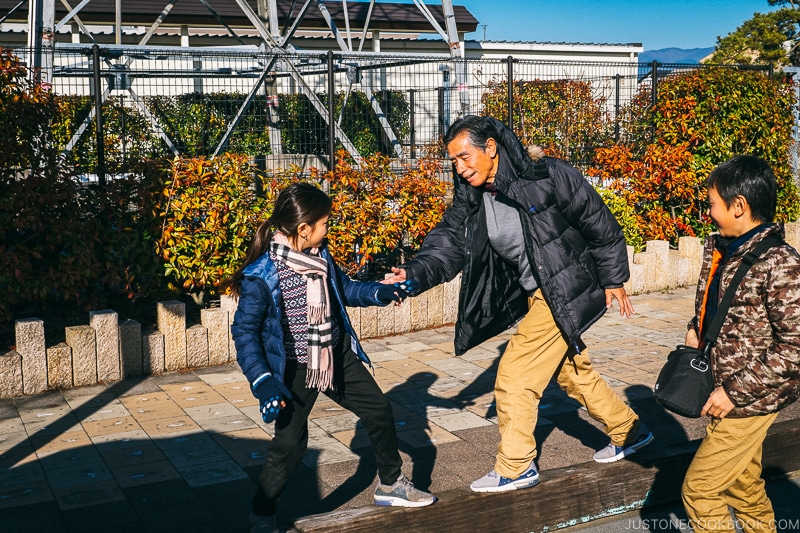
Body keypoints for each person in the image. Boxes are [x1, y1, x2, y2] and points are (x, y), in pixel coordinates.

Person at [387, 115, 652, 493]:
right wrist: (413, 275)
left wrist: (614, 280)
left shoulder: (548, 175)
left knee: (514, 376)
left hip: (567, 284)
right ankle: (631, 432)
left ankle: (516, 466)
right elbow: (448, 242)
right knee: (572, 373)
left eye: (465, 157)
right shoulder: (474, 195)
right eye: (454, 162)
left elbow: (600, 223)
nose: (460, 169)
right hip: (537, 291)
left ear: (490, 148)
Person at [224, 183, 436, 533]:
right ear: (303, 228)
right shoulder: (262, 275)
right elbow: (245, 334)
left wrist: (382, 293)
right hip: (293, 368)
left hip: (334, 356)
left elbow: (347, 289)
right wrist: (263, 381)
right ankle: (262, 514)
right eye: (324, 223)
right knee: (290, 446)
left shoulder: (321, 256)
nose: (328, 229)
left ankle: (391, 484)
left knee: (379, 411)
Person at [681, 155, 800, 533]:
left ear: (739, 206)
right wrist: (694, 329)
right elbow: (719, 305)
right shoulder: (725, 249)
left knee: (699, 491)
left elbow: (795, 346)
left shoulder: (780, 263)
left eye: (712, 203)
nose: (708, 211)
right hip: (723, 384)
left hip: (750, 397)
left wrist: (733, 392)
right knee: (744, 487)